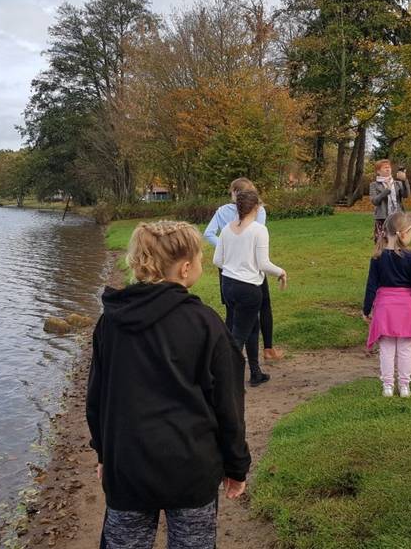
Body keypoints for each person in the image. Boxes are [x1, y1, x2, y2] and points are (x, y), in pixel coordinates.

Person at [86, 220, 250, 549]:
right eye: (201, 260)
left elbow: (97, 398)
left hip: (128, 466)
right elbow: (228, 403)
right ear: (185, 268)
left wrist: (105, 453)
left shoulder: (111, 323)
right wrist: (237, 465)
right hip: (191, 467)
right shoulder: (205, 323)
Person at [214, 190, 287, 386]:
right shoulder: (258, 230)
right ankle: (219, 380)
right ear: (256, 207)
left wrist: (234, 266)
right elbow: (263, 264)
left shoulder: (227, 229)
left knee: (252, 327)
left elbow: (217, 260)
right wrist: (281, 272)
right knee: (238, 336)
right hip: (248, 288)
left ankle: (255, 372)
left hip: (227, 285)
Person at [204, 178, 281, 361]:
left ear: (234, 193)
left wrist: (226, 247)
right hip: (250, 266)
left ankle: (241, 361)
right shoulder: (258, 211)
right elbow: (256, 233)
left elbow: (209, 234)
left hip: (228, 267)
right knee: (263, 305)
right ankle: (258, 352)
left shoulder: (222, 212)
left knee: (233, 312)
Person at [363, 212, 411, 398]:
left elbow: (371, 285)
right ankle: (405, 386)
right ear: (404, 233)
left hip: (385, 308)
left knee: (386, 348)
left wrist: (366, 309)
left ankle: (388, 387)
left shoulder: (377, 257)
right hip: (406, 308)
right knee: (405, 348)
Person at [369, 160, 410, 243]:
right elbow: (375, 201)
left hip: (397, 217)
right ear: (378, 171)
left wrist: (404, 180)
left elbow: (406, 195)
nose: (388, 169)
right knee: (383, 242)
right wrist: (386, 190)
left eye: (389, 167)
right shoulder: (374, 185)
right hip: (383, 218)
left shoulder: (397, 183)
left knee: (399, 242)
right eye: (385, 167)